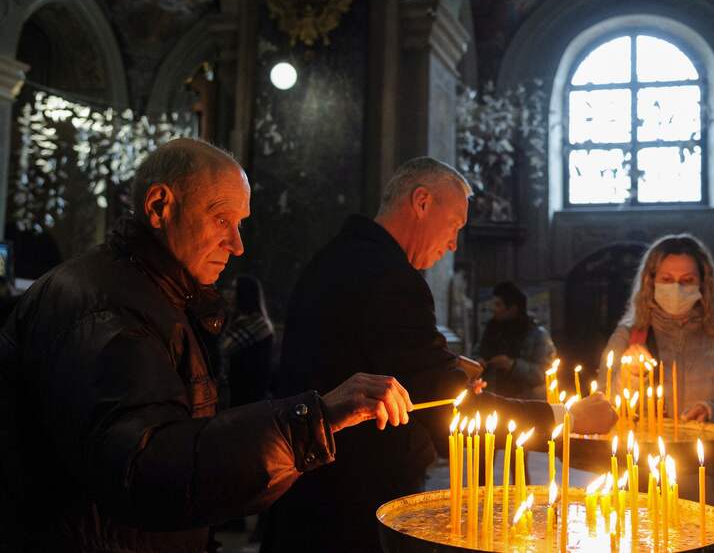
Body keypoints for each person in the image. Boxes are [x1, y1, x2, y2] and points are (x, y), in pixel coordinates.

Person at [0, 138, 413, 553]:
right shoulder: (106, 311)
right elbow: (148, 473)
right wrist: (311, 420)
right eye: (221, 220)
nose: (237, 245)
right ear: (160, 206)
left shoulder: (152, 297)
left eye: (241, 224)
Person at [264, 157, 616, 552]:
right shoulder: (391, 278)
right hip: (350, 507)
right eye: (455, 226)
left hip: (310, 488)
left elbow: (380, 359)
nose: (453, 244)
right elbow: (448, 410)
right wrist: (566, 416)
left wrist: (445, 365)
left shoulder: (339, 257)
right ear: (422, 202)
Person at [602, 233, 714, 553]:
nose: (676, 288)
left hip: (710, 485)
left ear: (703, 284)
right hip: (642, 483)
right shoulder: (628, 338)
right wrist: (630, 377)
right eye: (666, 279)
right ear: (650, 282)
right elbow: (603, 414)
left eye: (686, 279)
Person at [474, 280, 556, 399]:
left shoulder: (537, 334)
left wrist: (512, 365)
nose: (493, 309)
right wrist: (477, 363)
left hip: (526, 404)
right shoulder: (491, 330)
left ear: (512, 308)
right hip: (492, 400)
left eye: (498, 305)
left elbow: (546, 373)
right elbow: (475, 353)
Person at [220, 275, 275, 408]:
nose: (227, 293)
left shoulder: (259, 326)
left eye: (233, 289)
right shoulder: (232, 320)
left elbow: (221, 348)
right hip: (230, 394)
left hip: (247, 398)